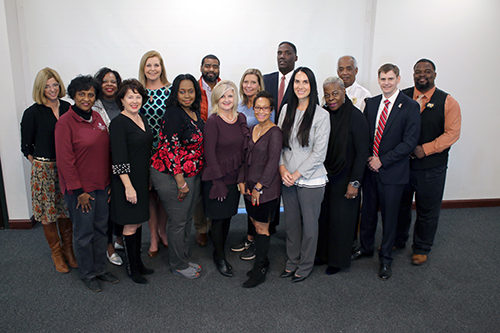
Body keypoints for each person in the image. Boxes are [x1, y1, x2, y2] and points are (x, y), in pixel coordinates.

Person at [351, 64, 421, 281]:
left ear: (398, 79)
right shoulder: (371, 104)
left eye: (390, 79)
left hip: (393, 173)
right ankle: (366, 248)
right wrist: (370, 160)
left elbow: (409, 142)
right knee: (368, 212)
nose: (386, 83)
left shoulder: (409, 106)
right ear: (378, 80)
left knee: (390, 217)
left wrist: (383, 160)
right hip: (370, 170)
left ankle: (386, 258)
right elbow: (365, 136)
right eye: (383, 79)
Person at [55, 75, 119, 292]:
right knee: (84, 233)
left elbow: (106, 153)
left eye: (90, 94)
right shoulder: (65, 122)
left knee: (101, 230)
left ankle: (100, 268)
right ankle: (88, 273)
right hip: (80, 191)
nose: (86, 98)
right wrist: (79, 190)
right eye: (81, 94)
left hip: (102, 186)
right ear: (73, 96)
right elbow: (65, 161)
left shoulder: (97, 118)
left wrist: (109, 183)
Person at [395, 59, 461, 265]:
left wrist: (425, 149)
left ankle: (422, 248)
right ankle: (397, 240)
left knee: (427, 209)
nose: (422, 75)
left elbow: (452, 134)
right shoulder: (402, 96)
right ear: (413, 74)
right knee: (399, 206)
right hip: (403, 166)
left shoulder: (448, 101)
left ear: (434, 74)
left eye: (427, 71)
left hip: (432, 168)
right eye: (418, 72)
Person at [20, 67, 78, 274]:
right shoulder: (32, 112)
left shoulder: (68, 107)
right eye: (46, 86)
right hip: (44, 170)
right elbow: (26, 147)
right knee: (47, 213)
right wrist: (39, 166)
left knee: (65, 210)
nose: (52, 89)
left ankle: (68, 249)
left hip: (67, 167)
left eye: (55, 84)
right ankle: (56, 253)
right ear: (40, 88)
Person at [278, 67, 330, 283]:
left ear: (312, 86)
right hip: (287, 178)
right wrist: (282, 169)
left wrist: (296, 174)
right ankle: (292, 262)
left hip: (311, 180)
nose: (300, 86)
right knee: (291, 225)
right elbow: (277, 144)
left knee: (309, 227)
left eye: (305, 82)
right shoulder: (286, 110)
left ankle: (305, 265)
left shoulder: (321, 115)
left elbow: (319, 154)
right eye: (297, 81)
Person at [150, 74, 204, 279]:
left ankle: (182, 257)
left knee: (187, 218)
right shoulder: (173, 113)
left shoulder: (192, 111)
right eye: (182, 91)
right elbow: (169, 149)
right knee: (179, 220)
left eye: (191, 91)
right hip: (171, 175)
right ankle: (178, 264)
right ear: (175, 93)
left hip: (191, 173)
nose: (187, 95)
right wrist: (180, 182)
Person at [316, 77, 369, 275]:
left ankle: (337, 261)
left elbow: (363, 153)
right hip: (325, 176)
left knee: (342, 221)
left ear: (344, 92)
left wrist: (355, 183)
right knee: (325, 218)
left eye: (335, 93)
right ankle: (322, 255)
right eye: (327, 94)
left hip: (347, 178)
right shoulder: (323, 114)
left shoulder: (356, 117)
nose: (331, 98)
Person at [109, 79, 155, 284]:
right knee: (129, 225)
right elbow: (118, 159)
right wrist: (128, 187)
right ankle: (132, 267)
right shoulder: (118, 123)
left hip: (141, 179)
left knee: (137, 222)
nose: (135, 100)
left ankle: (139, 263)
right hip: (126, 182)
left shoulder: (141, 118)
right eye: (130, 96)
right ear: (122, 100)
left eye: (138, 96)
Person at [202, 80, 249, 277]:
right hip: (217, 180)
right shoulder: (213, 121)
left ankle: (219, 248)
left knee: (228, 215)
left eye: (230, 96)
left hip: (234, 178)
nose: (227, 100)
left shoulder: (241, 118)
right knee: (218, 219)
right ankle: (219, 256)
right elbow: (209, 154)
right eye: (222, 96)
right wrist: (217, 182)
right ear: (216, 99)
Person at [238, 91, 282, 288]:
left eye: (266, 108)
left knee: (262, 227)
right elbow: (245, 158)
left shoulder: (275, 133)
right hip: (248, 187)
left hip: (265, 189)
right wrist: (241, 180)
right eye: (258, 107)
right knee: (255, 224)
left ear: (271, 110)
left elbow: (273, 163)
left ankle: (260, 270)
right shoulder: (253, 128)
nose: (261, 111)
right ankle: (263, 261)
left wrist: (258, 186)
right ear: (253, 109)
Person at [263, 41, 298, 235]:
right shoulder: (267, 79)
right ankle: (270, 225)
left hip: (290, 145)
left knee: (286, 185)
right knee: (269, 182)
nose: (282, 56)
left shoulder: (301, 81)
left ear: (295, 57)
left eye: (287, 53)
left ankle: (291, 230)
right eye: (279, 53)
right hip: (266, 141)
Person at [231, 68, 265, 261]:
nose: (249, 86)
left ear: (259, 85)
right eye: (246, 82)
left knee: (256, 203)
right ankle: (250, 237)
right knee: (248, 201)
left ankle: (258, 242)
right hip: (242, 161)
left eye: (253, 82)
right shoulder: (239, 106)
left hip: (259, 162)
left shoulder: (265, 106)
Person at [138, 50, 170, 257]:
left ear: (162, 68)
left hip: (166, 150)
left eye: (156, 65)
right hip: (144, 150)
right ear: (143, 68)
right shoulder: (137, 91)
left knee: (165, 195)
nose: (152, 69)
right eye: (148, 65)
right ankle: (153, 238)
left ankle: (163, 231)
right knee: (150, 195)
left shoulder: (170, 91)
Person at [93, 67, 124, 266]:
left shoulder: (124, 103)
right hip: (102, 163)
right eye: (105, 81)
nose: (110, 85)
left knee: (121, 203)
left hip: (122, 162)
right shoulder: (93, 107)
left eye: (113, 81)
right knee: (105, 208)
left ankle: (120, 239)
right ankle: (108, 246)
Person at [195, 54, 221, 247]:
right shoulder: (194, 89)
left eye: (215, 66)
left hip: (220, 146)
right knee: (199, 191)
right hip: (198, 146)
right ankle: (201, 229)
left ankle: (215, 225)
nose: (211, 69)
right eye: (208, 66)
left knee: (216, 185)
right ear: (201, 67)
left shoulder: (225, 87)